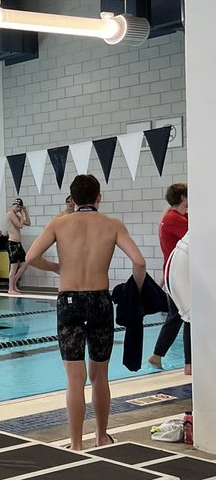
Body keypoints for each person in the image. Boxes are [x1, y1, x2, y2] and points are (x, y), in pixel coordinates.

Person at [24, 174, 146, 452]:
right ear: (98, 197)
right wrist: (135, 293)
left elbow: (30, 257)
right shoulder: (112, 225)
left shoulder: (59, 224)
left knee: (74, 378)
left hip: (69, 302)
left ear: (73, 199)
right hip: (100, 301)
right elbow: (139, 262)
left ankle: (76, 444)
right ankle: (102, 436)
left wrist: (57, 268)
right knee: (100, 376)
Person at [148, 182, 191, 374]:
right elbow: (198, 234)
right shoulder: (176, 220)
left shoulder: (172, 217)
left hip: (173, 275)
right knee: (189, 316)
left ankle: (156, 356)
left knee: (176, 317)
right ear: (183, 198)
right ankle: (190, 364)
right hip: (178, 277)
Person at [5, 197, 32, 294]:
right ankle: (10, 289)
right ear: (13, 205)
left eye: (20, 207)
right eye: (17, 207)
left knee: (25, 263)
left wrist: (25, 211)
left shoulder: (17, 215)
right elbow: (20, 225)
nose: (18, 209)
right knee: (14, 267)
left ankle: (14, 283)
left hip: (18, 244)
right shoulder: (11, 214)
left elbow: (28, 223)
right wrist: (21, 215)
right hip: (12, 244)